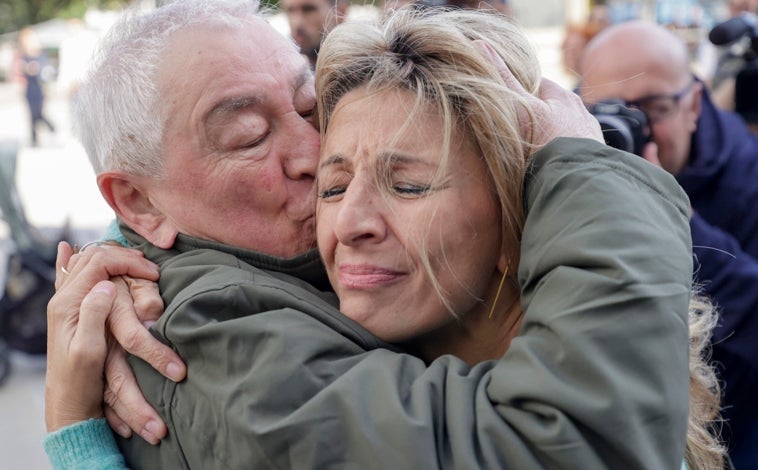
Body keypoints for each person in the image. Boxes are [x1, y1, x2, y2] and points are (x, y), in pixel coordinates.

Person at [44, 2, 717, 469]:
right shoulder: (205, 330)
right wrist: (589, 176)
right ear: (136, 201)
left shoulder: (245, 272)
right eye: (247, 136)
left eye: (311, 108)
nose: (312, 152)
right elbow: (570, 449)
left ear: (517, 215)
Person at [578, 19, 758, 468]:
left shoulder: (747, 178)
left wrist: (675, 219)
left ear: (694, 103)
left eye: (654, 109)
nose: (634, 130)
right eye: (613, 110)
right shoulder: (572, 171)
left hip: (729, 428)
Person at [15, 28, 56, 147]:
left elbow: (41, 70)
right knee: (31, 115)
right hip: (29, 89)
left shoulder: (40, 54)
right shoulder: (24, 55)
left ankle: (52, 128)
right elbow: (21, 68)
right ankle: (34, 139)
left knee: (39, 113)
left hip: (39, 88)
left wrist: (30, 68)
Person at [280, 0, 349, 69]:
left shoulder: (355, 69)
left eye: (309, 9)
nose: (297, 23)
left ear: (340, 13)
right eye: (290, 10)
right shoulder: (280, 67)